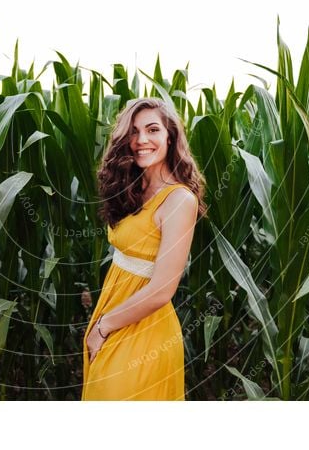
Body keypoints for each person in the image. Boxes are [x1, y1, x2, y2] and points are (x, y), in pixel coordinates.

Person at [82, 97, 207, 401]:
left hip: (143, 330)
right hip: (115, 313)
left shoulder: (179, 201)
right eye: (134, 132)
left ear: (170, 136)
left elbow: (163, 290)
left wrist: (103, 327)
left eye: (152, 130)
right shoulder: (132, 187)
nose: (141, 140)